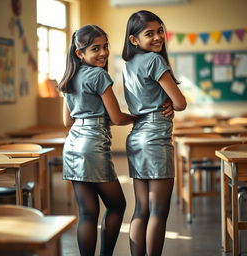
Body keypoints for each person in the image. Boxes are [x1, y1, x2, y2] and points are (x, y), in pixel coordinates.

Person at [58, 25, 138, 256]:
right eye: (95, 49)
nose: (103, 53)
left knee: (87, 213)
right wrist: (139, 116)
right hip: (93, 146)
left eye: (105, 47)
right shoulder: (99, 75)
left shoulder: (69, 77)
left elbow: (67, 121)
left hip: (72, 145)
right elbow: (117, 117)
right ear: (79, 53)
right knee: (117, 205)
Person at [122, 10, 187, 256]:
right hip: (156, 138)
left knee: (141, 209)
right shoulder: (154, 60)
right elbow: (180, 103)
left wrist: (166, 101)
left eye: (160, 31)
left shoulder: (129, 64)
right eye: (149, 33)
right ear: (134, 40)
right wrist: (172, 103)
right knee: (159, 211)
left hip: (136, 135)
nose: (158, 37)